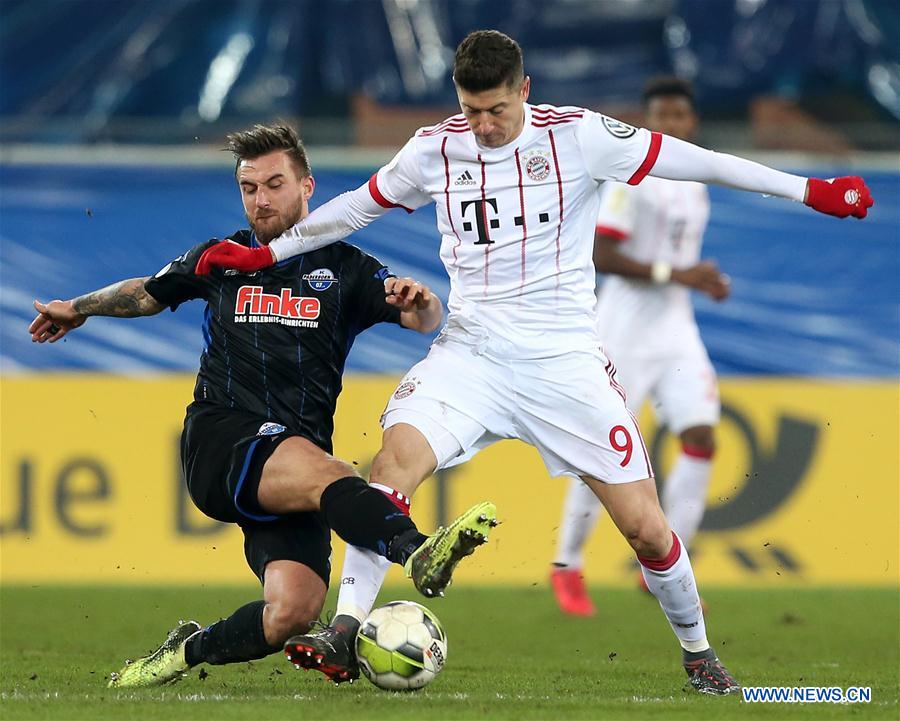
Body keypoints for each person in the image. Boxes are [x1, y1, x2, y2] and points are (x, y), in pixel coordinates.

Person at [194, 31, 873, 695]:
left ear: (525, 90)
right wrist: (263, 257)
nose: (484, 126)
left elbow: (694, 160)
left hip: (565, 362)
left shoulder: (579, 136)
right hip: (472, 352)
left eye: (496, 109)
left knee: (645, 526)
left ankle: (698, 654)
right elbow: (353, 209)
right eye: (470, 109)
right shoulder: (435, 149)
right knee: (390, 465)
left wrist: (809, 190)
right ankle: (344, 626)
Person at [27, 123, 498, 688]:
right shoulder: (223, 258)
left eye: (274, 184)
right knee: (335, 476)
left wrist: (420, 300)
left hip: (294, 459)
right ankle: (417, 551)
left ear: (308, 187)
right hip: (223, 438)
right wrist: (79, 307)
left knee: (291, 613)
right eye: (249, 188)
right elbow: (148, 291)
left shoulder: (345, 268)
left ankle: (186, 650)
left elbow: (423, 318)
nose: (261, 199)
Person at [550, 77, 729, 617]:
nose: (671, 125)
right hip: (621, 331)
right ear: (649, 122)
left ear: (691, 122)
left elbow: (682, 264)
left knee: (700, 435)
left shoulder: (694, 181)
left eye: (679, 115)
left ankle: (667, 567)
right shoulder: (633, 177)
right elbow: (602, 253)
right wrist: (681, 273)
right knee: (604, 452)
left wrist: (699, 281)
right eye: (661, 116)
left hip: (676, 330)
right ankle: (567, 565)